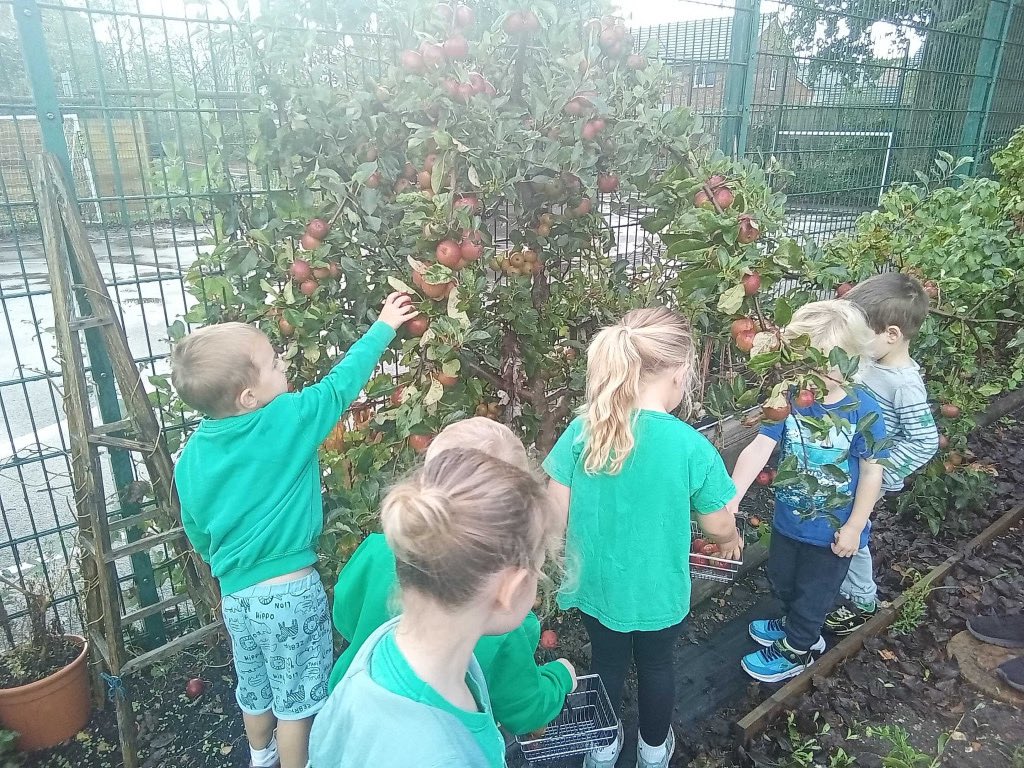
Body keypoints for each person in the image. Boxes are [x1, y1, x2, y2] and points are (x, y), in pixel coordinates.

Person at [171, 292, 417, 768]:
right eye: (272, 362)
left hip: (237, 598)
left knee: (255, 688)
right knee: (298, 703)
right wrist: (383, 326)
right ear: (248, 396)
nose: (282, 362)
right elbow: (341, 386)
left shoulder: (192, 456)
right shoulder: (286, 419)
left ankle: (258, 757)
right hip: (290, 595)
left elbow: (195, 528)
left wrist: (224, 561)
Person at [543, 306, 742, 768]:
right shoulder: (691, 445)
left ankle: (602, 746)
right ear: (678, 372)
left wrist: (551, 560)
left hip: (596, 585)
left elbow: (553, 513)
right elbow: (717, 525)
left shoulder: (582, 431)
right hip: (659, 589)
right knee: (657, 666)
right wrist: (730, 537)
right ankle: (653, 751)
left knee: (606, 664)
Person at [326, 417, 577, 737]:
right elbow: (523, 709)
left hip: (347, 713)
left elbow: (345, 619)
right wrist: (560, 677)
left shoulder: (376, 551)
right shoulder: (503, 627)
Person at [728, 300, 889, 684]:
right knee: (783, 579)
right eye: (804, 364)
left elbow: (872, 471)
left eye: (823, 366)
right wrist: (731, 500)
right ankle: (795, 625)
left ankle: (798, 648)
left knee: (815, 594)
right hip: (789, 519)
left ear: (851, 361)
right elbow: (760, 447)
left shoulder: (862, 409)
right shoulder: (789, 398)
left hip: (832, 532)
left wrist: (855, 526)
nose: (812, 376)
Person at [824, 273, 938, 636]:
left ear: (891, 334)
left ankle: (861, 599)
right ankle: (834, 583)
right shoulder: (872, 361)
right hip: (850, 467)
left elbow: (925, 440)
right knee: (837, 525)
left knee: (853, 531)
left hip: (868, 474)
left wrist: (880, 473)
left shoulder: (904, 384)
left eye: (862, 334)